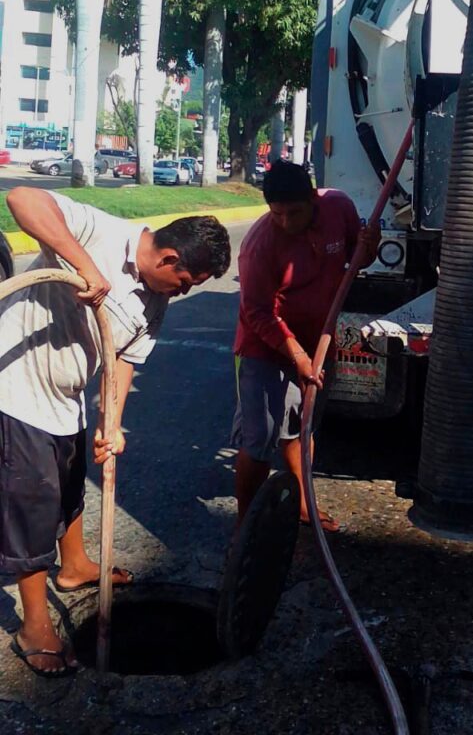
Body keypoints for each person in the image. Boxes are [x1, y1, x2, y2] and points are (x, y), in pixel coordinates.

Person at [0, 188, 231, 677]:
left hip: (66, 398)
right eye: (185, 281)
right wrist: (85, 266)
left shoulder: (155, 300)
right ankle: (34, 626)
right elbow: (21, 199)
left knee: (70, 486)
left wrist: (112, 421)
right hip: (15, 388)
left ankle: (75, 566)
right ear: (169, 258)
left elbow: (124, 358)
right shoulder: (99, 231)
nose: (184, 291)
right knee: (31, 503)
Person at [233, 160, 380, 533]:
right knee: (259, 440)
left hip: (319, 343)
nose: (285, 222)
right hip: (265, 348)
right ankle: (245, 525)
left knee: (303, 428)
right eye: (276, 213)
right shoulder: (259, 246)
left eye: (294, 212)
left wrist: (371, 247)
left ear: (313, 199)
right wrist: (297, 355)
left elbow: (357, 260)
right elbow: (256, 313)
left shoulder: (339, 207)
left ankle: (302, 505)